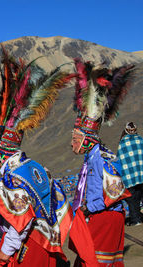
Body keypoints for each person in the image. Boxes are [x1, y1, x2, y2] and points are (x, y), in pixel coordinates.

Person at [0, 46, 73, 266]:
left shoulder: (10, 179)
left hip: (28, 249)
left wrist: (5, 252)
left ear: (1, 149)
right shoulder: (35, 167)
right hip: (46, 244)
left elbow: (20, 223)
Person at [69, 58, 134, 266]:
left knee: (94, 261)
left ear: (87, 138)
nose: (72, 143)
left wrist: (89, 209)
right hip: (102, 215)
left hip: (104, 217)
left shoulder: (101, 159)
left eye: (76, 138)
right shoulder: (93, 157)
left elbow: (114, 190)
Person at [117, 122, 143, 226]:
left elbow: (120, 161)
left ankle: (136, 220)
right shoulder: (140, 140)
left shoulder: (122, 143)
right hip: (141, 175)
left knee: (132, 199)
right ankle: (138, 217)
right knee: (140, 196)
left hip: (129, 177)